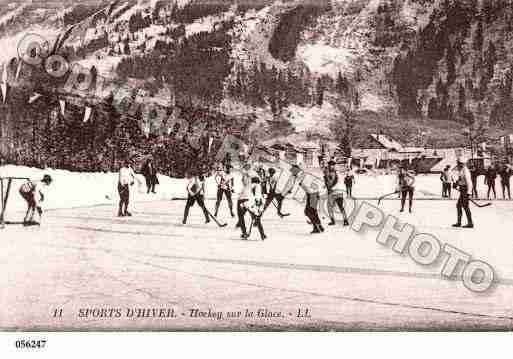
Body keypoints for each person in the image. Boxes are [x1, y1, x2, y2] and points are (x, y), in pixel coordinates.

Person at [290, 164, 324, 234]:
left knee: (309, 211)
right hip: (312, 194)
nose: (292, 172)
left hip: (312, 194)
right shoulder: (301, 175)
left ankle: (316, 227)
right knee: (312, 211)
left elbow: (306, 186)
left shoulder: (301, 176)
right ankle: (319, 226)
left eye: (293, 171)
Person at [324, 160, 349, 226]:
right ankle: (345, 220)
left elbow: (330, 182)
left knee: (329, 207)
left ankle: (333, 221)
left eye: (330, 165)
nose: (329, 166)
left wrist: (326, 177)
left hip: (333, 192)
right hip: (339, 191)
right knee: (341, 207)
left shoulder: (331, 173)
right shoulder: (337, 172)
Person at [453, 157, 474, 228]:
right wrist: (456, 183)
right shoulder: (461, 170)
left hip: (465, 190)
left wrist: (469, 193)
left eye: (458, 163)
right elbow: (461, 179)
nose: (457, 164)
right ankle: (459, 222)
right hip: (462, 189)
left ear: (462, 163)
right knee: (459, 206)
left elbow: (469, 182)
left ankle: (470, 223)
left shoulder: (465, 171)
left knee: (465, 207)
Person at [245, 176, 267, 240]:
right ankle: (262, 235)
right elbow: (257, 196)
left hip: (251, 205)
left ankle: (262, 234)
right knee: (257, 220)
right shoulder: (257, 186)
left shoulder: (251, 186)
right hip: (256, 204)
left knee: (256, 219)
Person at [236, 163, 252, 239]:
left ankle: (244, 232)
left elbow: (243, 172)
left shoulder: (247, 175)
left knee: (240, 216)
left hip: (242, 198)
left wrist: (244, 168)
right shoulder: (251, 175)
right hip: (249, 197)